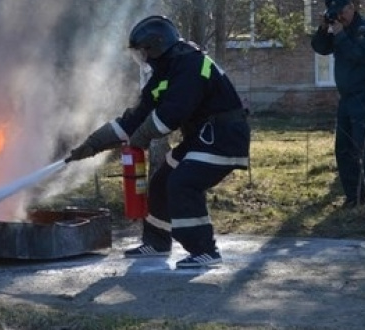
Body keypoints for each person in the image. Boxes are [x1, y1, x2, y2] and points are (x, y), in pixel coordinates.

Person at [66, 15, 250, 269]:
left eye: (144, 51)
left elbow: (172, 114)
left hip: (223, 138)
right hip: (201, 138)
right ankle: (157, 241)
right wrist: (93, 144)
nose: (143, 58)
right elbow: (134, 117)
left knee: (183, 183)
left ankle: (205, 250)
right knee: (162, 181)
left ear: (157, 46)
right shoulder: (165, 74)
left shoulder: (191, 64)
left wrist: (141, 137)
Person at [311, 0, 365, 209]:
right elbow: (320, 48)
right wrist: (324, 29)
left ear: (350, 8)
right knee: (343, 148)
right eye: (335, 14)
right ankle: (355, 197)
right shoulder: (341, 29)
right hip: (346, 97)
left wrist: (340, 35)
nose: (339, 17)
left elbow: (360, 56)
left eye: (341, 12)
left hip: (364, 94)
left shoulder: (363, 28)